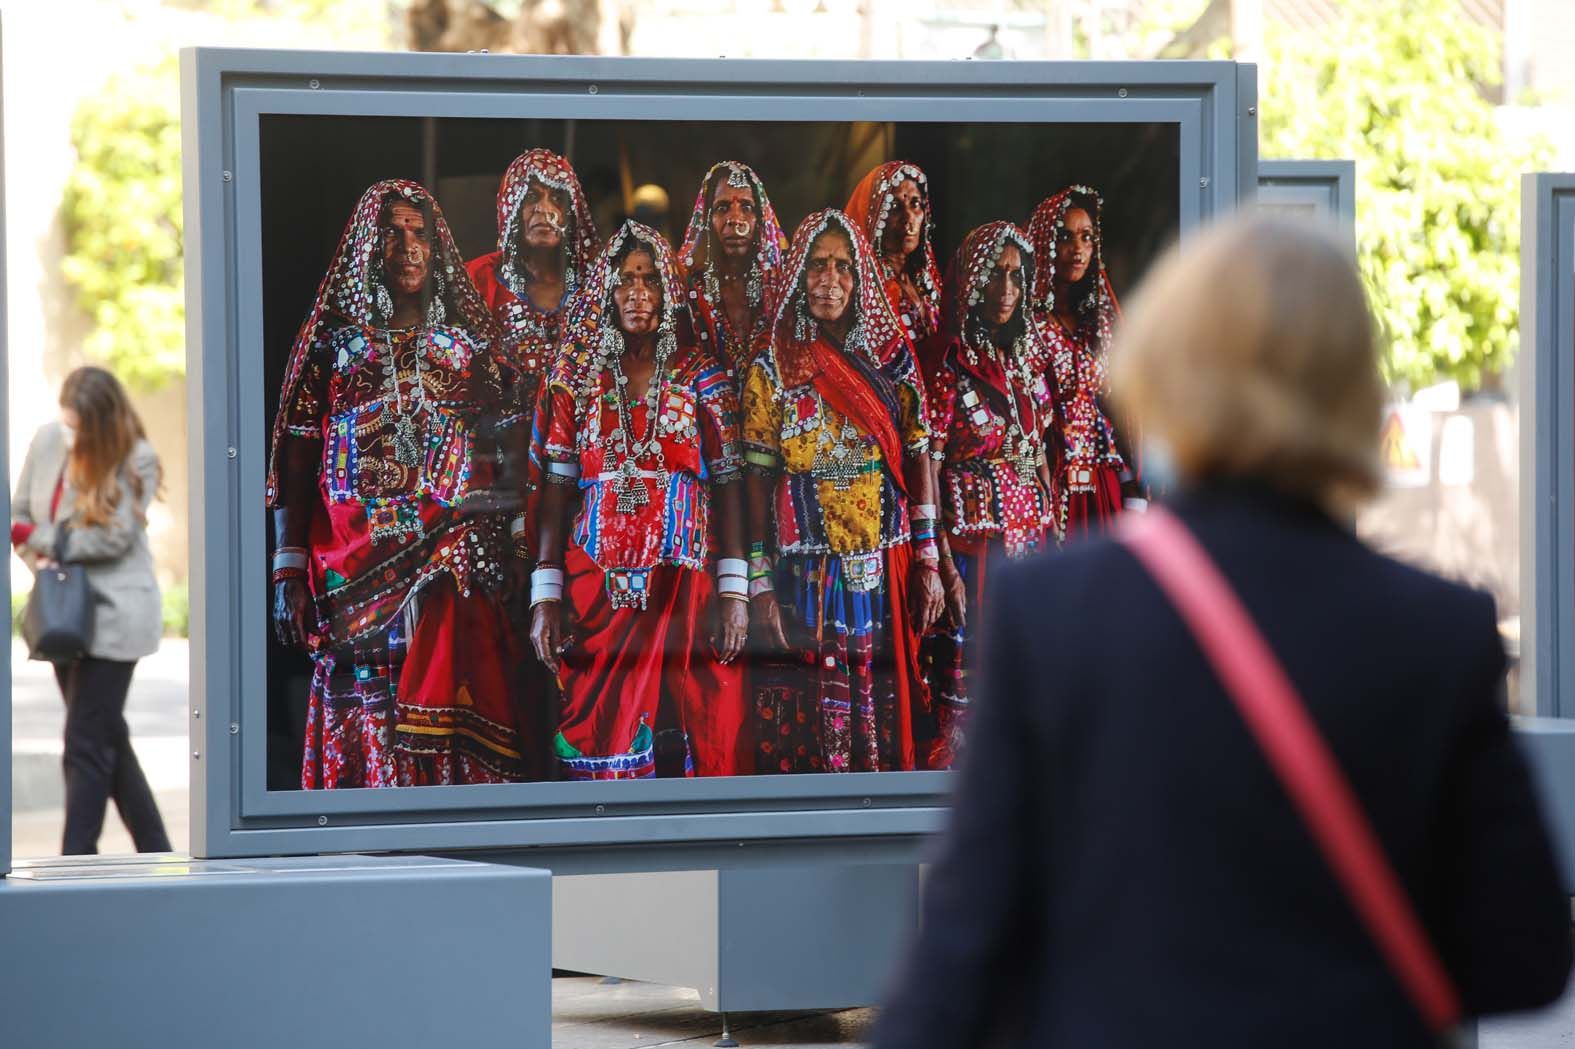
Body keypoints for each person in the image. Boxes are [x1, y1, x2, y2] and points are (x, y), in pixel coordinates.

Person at [872, 215, 1573, 1048]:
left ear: (1164, 374)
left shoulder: (1052, 612)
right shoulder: (1439, 632)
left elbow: (958, 957)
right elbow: (1524, 956)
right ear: (1353, 390)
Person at [268, 179, 529, 789]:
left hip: (452, 562)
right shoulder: (331, 348)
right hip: (351, 569)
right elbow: (296, 453)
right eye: (393, 232)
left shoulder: (469, 350)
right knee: (366, 701)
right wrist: (288, 566)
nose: (408, 246)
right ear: (368, 247)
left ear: (437, 250)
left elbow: (513, 447)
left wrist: (516, 543)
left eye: (420, 234)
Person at [530, 221, 752, 780]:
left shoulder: (703, 378)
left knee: (691, 728)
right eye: (625, 280)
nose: (637, 293)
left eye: (650, 280)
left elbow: (729, 486)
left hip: (685, 591)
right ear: (606, 291)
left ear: (669, 293)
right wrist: (546, 593)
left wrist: (735, 591)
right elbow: (554, 490)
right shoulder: (576, 381)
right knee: (596, 731)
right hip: (594, 591)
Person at [741, 209, 943, 774]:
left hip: (884, 565)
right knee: (805, 726)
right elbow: (756, 480)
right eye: (818, 266)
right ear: (797, 277)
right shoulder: (773, 365)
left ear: (861, 281)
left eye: (843, 268)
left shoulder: (891, 358)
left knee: (886, 711)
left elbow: (919, 449)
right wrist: (758, 580)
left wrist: (928, 558)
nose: (830, 279)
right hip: (805, 573)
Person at [11, 366, 172, 855]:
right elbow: (18, 512)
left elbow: (112, 537)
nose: (70, 434)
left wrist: (44, 541)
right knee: (107, 739)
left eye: (78, 426)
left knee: (84, 741)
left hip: (117, 615)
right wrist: (43, 546)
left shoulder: (135, 458)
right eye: (67, 423)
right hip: (63, 614)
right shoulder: (46, 442)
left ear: (100, 422)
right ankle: (158, 850)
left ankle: (75, 860)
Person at [918, 222, 1055, 770]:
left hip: (1029, 544)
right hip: (974, 552)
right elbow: (928, 457)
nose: (1005, 289)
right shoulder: (948, 362)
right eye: (994, 275)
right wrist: (942, 562)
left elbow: (1041, 446)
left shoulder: (1028, 358)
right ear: (971, 282)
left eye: (1015, 277)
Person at [1026, 185, 1141, 538]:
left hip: (1104, 480)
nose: (1078, 249)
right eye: (1065, 237)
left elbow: (1123, 408)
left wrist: (1136, 487)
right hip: (1050, 482)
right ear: (1044, 243)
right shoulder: (1026, 324)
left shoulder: (1100, 322)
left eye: (1087, 237)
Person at [677, 160, 788, 380]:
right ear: (707, 220)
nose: (736, 220)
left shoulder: (781, 284)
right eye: (722, 207)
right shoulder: (688, 286)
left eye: (747, 207)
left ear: (761, 220)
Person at [845, 161, 943, 347]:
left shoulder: (925, 278)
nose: (908, 218)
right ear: (872, 217)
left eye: (915, 204)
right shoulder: (862, 287)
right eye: (895, 207)